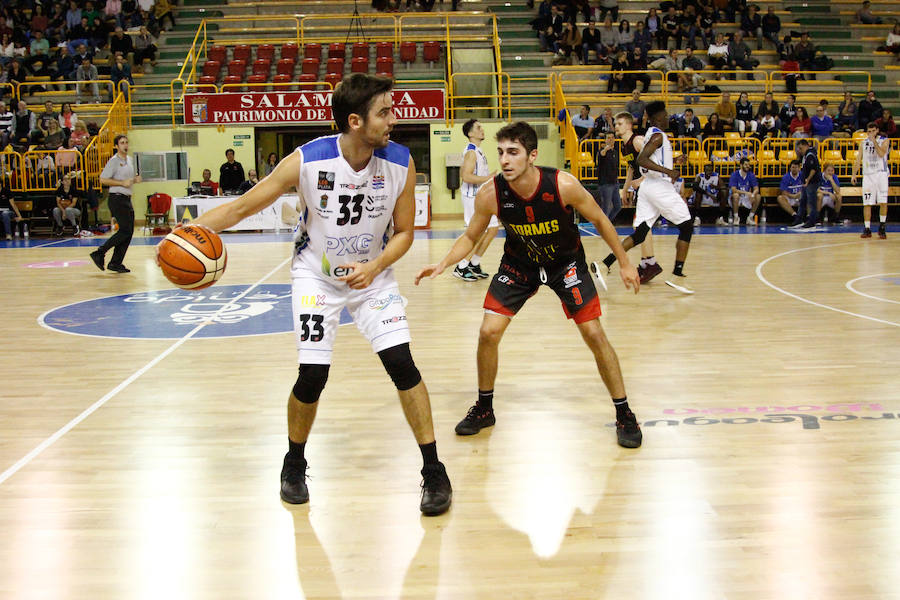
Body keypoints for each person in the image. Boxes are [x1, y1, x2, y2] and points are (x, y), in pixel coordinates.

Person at [163, 73, 452, 514]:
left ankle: (434, 470)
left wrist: (374, 266)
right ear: (355, 121)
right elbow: (243, 206)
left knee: (402, 364)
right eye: (385, 112)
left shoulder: (401, 162)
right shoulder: (308, 161)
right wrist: (191, 232)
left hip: (372, 274)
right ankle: (293, 463)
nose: (394, 119)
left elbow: (407, 232)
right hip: (315, 275)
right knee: (313, 375)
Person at [414, 121, 642, 448]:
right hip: (520, 264)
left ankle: (624, 412)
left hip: (565, 263)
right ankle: (484, 407)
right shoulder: (491, 193)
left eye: (513, 152)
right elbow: (470, 236)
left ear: (532, 155)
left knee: (594, 333)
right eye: (501, 152)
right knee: (487, 332)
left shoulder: (563, 184)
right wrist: (443, 263)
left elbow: (601, 220)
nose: (505, 160)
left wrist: (623, 261)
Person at [601, 102, 695, 294]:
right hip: (657, 186)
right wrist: (668, 170)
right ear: (657, 117)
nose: (668, 117)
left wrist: (673, 162)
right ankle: (677, 273)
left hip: (647, 188)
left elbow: (649, 160)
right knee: (686, 226)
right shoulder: (656, 135)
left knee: (641, 232)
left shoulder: (651, 135)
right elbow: (642, 160)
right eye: (665, 114)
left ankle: (606, 263)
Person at [613, 111, 661, 282]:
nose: (616, 126)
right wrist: (625, 189)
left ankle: (650, 263)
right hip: (645, 186)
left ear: (628, 125)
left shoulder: (638, 141)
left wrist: (641, 179)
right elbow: (632, 168)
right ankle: (648, 263)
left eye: (619, 124)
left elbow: (657, 163)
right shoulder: (625, 145)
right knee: (641, 225)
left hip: (653, 184)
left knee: (641, 224)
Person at [454, 119, 498, 281]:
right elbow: (465, 176)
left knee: (493, 228)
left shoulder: (477, 150)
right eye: (478, 128)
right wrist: (489, 177)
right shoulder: (471, 152)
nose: (482, 130)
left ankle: (474, 262)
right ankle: (461, 267)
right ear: (470, 133)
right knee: (476, 233)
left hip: (482, 197)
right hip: (472, 198)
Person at [90, 134, 140, 273]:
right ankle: (99, 252)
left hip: (126, 198)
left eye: (126, 142)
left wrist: (135, 180)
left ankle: (116, 262)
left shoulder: (130, 160)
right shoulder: (113, 161)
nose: (125, 145)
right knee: (124, 230)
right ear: (116, 146)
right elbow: (103, 180)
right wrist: (121, 183)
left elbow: (129, 179)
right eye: (122, 143)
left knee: (128, 232)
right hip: (117, 198)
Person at [852, 121, 890, 239]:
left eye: (873, 131)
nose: (871, 133)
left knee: (883, 202)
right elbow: (858, 159)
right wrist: (854, 174)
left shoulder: (884, 140)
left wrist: (874, 142)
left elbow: (881, 153)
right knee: (867, 203)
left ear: (877, 130)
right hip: (868, 175)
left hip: (881, 174)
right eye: (869, 131)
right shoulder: (863, 143)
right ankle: (867, 228)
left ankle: (882, 226)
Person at [792, 138, 820, 229]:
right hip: (806, 183)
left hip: (811, 182)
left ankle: (812, 221)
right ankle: (799, 219)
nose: (799, 150)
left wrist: (808, 179)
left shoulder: (810, 155)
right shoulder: (805, 156)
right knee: (803, 201)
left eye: (800, 148)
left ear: (805, 146)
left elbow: (813, 169)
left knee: (811, 202)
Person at [593, 131, 621, 220]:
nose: (611, 139)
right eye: (608, 138)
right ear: (605, 140)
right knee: (606, 208)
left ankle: (607, 223)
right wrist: (605, 149)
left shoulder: (616, 152)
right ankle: (604, 226)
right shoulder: (601, 152)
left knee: (618, 206)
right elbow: (602, 154)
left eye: (612, 137)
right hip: (605, 184)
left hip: (615, 183)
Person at [729, 156, 761, 225]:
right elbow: (733, 190)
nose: (748, 166)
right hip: (736, 197)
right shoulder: (735, 174)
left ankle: (750, 217)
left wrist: (752, 194)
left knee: (758, 196)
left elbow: (756, 189)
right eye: (746, 165)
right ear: (741, 165)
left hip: (746, 197)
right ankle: (736, 217)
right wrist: (747, 193)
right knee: (735, 195)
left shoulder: (751, 175)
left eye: (749, 165)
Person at [777, 160, 804, 226]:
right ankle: (795, 216)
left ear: (799, 168)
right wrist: (793, 196)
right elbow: (783, 191)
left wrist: (801, 193)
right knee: (780, 198)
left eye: (796, 167)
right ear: (790, 168)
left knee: (810, 196)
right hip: (790, 197)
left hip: (800, 197)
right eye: (793, 167)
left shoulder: (803, 175)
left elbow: (807, 186)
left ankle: (810, 217)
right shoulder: (786, 177)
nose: (794, 169)